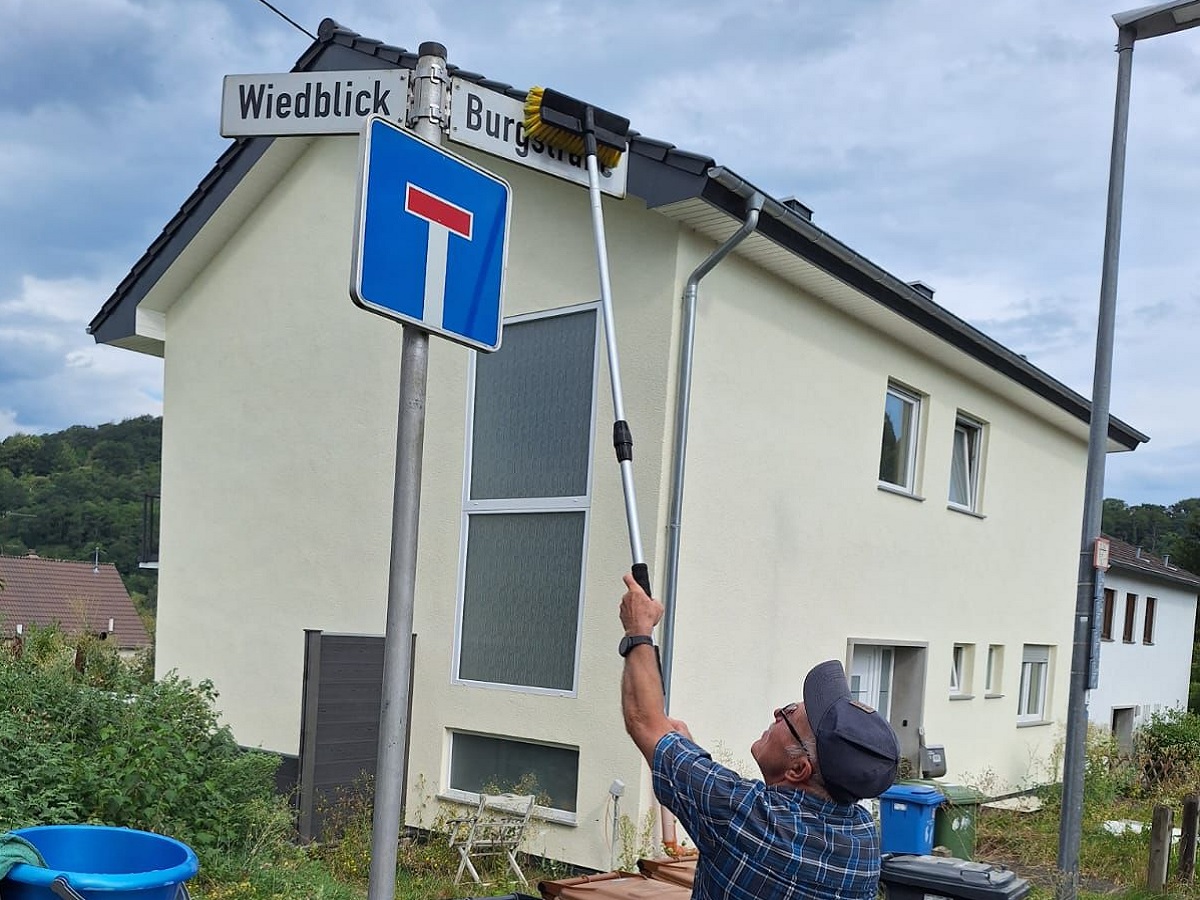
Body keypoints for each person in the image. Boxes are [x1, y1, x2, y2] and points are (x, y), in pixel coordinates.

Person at [618, 573, 901, 900]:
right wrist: (689, 757)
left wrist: (638, 630)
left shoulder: (745, 817)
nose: (777, 713)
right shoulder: (862, 837)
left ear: (798, 769)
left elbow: (643, 720)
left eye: (790, 716)